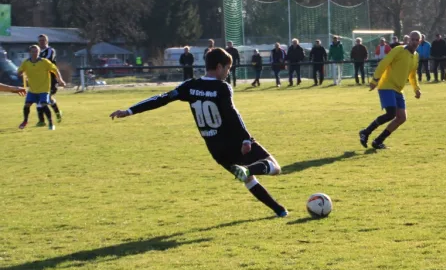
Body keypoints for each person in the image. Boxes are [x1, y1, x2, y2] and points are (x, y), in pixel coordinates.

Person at [109, 48, 289, 217]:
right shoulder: (222, 87)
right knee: (274, 167)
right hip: (233, 140)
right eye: (228, 68)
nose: (228, 72)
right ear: (219, 67)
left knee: (248, 180)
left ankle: (279, 210)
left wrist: (130, 110)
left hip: (216, 149)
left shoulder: (189, 86)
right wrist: (245, 139)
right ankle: (248, 169)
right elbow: (233, 114)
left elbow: (162, 98)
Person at [358, 31, 422, 150]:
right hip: (387, 85)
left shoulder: (416, 55)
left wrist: (416, 89)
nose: (414, 42)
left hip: (398, 89)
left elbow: (412, 75)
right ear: (408, 40)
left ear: (420, 41)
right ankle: (365, 132)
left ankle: (378, 141)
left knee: (402, 117)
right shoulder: (398, 50)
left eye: (416, 40)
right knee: (391, 113)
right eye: (412, 39)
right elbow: (384, 63)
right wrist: (375, 80)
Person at [17, 45, 66, 130]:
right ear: (30, 52)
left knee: (44, 105)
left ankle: (51, 123)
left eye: (36, 51)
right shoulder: (26, 62)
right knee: (27, 105)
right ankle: (25, 121)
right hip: (32, 89)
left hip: (44, 89)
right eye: (33, 51)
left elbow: (55, 70)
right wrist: (19, 73)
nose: (34, 53)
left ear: (39, 52)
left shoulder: (44, 62)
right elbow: (20, 71)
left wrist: (60, 80)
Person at [37, 34, 62, 125]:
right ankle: (55, 114)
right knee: (46, 99)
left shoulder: (50, 50)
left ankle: (42, 121)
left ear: (47, 41)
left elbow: (46, 61)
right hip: (40, 79)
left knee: (44, 99)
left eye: (43, 40)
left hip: (51, 79)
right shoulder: (37, 52)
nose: (42, 42)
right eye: (40, 40)